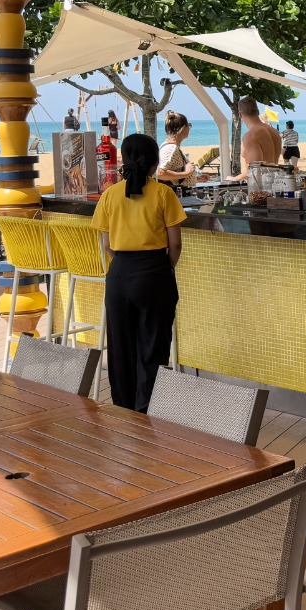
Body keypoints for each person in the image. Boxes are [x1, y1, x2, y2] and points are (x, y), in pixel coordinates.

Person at [90, 134, 185, 413]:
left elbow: (107, 244)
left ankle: (123, 410)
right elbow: (175, 244)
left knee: (121, 348)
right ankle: (148, 412)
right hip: (154, 272)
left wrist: (124, 265)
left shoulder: (110, 195)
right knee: (153, 348)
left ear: (124, 160)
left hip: (119, 274)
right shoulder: (164, 194)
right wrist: (164, 267)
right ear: (155, 164)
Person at [235, 95, 282, 177]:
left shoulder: (251, 136)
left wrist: (235, 178)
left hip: (261, 184)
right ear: (258, 112)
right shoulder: (274, 132)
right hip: (276, 180)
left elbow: (255, 171)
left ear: (240, 115)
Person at [155, 110, 197, 193]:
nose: (189, 128)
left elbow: (174, 173)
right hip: (175, 195)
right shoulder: (171, 149)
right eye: (189, 125)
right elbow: (159, 173)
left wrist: (194, 177)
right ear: (184, 128)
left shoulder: (171, 147)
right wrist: (187, 174)